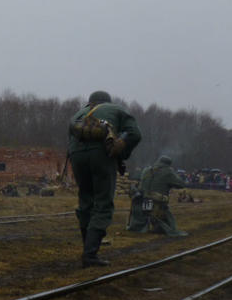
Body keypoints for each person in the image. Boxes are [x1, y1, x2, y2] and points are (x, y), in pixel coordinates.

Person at [67, 90, 142, 267]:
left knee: (85, 200)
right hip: (101, 154)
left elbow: (70, 139)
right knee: (103, 202)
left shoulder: (78, 114)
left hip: (76, 155)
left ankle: (87, 249)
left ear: (90, 102)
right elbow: (135, 134)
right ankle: (90, 254)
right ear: (107, 101)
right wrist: (121, 151)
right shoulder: (115, 109)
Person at [139, 155, 188, 237]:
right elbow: (181, 184)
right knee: (167, 216)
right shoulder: (168, 172)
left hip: (141, 202)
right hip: (158, 203)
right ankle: (160, 226)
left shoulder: (146, 170)